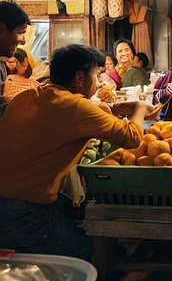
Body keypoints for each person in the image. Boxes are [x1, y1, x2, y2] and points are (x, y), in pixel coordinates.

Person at [0, 44, 154, 261]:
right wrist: (140, 108)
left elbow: (72, 116)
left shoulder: (28, 96)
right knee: (92, 251)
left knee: (72, 214)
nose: (100, 83)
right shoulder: (74, 107)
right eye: (97, 76)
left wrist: (115, 109)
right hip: (20, 213)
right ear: (80, 78)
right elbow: (132, 137)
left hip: (13, 199)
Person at [0, 0, 31, 116]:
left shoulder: (4, 62)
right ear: (1, 29)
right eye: (20, 32)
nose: (23, 40)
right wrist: (17, 80)